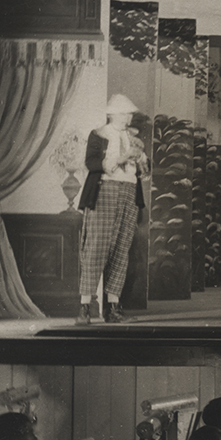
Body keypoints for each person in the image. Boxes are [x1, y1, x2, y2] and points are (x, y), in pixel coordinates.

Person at [77, 94, 148, 325]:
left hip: (129, 192)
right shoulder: (99, 135)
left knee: (121, 247)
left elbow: (143, 173)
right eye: (124, 113)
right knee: (96, 247)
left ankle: (114, 307)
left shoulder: (134, 138)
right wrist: (122, 157)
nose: (129, 117)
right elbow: (92, 163)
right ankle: (85, 307)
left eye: (130, 113)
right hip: (104, 190)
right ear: (112, 114)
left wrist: (141, 161)